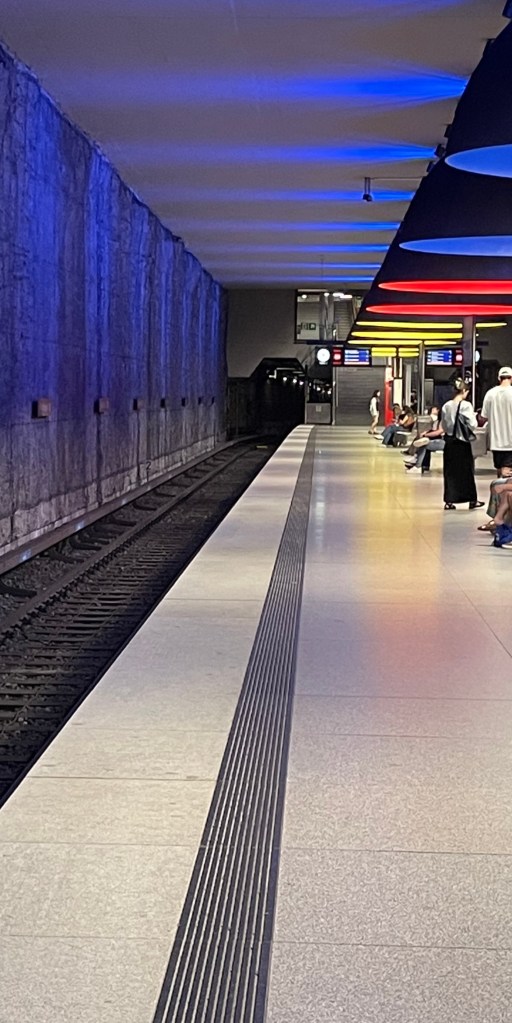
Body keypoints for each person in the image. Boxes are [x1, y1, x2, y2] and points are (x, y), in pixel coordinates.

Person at [441, 380, 483, 510]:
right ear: (464, 391)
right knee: (466, 472)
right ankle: (471, 499)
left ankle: (449, 500)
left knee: (450, 472)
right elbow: (473, 424)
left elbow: (444, 425)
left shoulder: (446, 406)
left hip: (449, 442)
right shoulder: (466, 405)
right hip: (462, 442)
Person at [480, 366, 512, 476]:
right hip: (510, 442)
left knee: (499, 470)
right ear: (511, 378)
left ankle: (499, 486)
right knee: (507, 472)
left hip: (495, 441)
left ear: (499, 378)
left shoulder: (490, 394)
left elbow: (483, 417)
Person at [404, 407, 444, 474]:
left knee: (424, 444)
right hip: (439, 440)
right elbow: (433, 431)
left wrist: (426, 434)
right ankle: (419, 462)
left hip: (443, 441)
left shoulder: (443, 422)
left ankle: (418, 464)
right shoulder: (438, 421)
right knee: (423, 442)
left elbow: (438, 432)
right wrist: (426, 433)